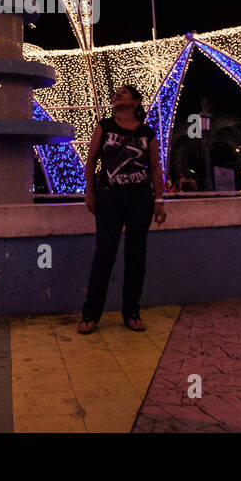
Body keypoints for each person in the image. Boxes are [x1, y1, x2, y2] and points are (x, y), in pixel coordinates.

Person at [78, 85, 167, 334]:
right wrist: (90, 191)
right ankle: (90, 315)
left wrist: (159, 201)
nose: (117, 95)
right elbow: (92, 160)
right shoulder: (104, 126)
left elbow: (155, 168)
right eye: (115, 93)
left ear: (137, 101)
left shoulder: (147, 133)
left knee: (136, 255)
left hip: (140, 198)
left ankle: (132, 312)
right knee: (104, 253)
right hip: (110, 197)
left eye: (124, 93)